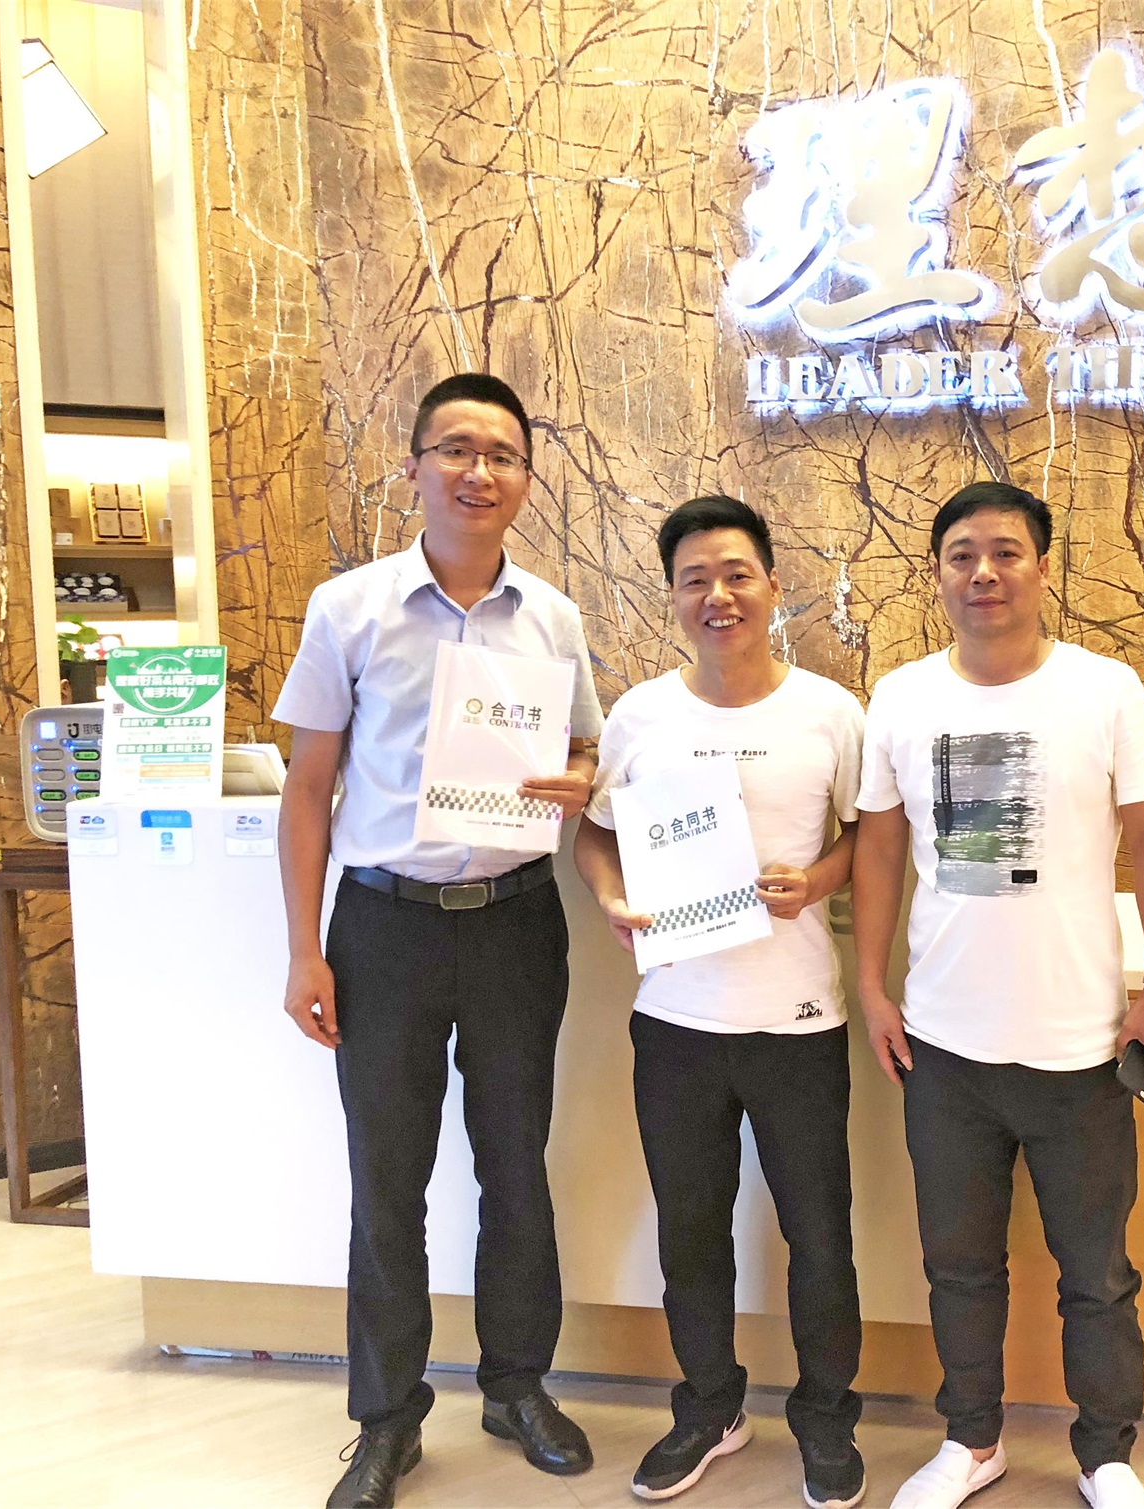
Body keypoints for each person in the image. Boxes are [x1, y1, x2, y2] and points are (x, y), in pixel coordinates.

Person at [275, 373, 604, 1509]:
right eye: (456, 449)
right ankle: (386, 1419)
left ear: (526, 479)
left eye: (502, 454)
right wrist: (304, 950)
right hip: (384, 927)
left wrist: (579, 781)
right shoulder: (349, 608)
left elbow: (585, 756)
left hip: (517, 921)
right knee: (387, 1180)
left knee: (516, 1167)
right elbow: (307, 788)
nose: (478, 471)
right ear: (413, 465)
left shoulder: (553, 618)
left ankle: (517, 1387)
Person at [852, 481, 1144, 1509]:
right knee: (958, 1267)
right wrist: (870, 986)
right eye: (962, 554)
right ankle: (971, 1441)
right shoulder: (901, 696)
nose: (983, 572)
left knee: (1096, 1275)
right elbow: (879, 849)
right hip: (943, 1049)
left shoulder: (1104, 689)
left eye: (1005, 552)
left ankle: (1106, 1455)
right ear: (937, 573)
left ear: (1042, 567)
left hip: (1078, 1049)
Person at [573, 495, 868, 1509]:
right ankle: (708, 1407)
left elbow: (868, 837)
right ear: (672, 596)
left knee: (819, 1235)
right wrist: (611, 898)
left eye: (737, 573)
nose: (718, 594)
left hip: (799, 1023)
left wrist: (816, 882)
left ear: (772, 586)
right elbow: (596, 830)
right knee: (689, 1231)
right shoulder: (640, 715)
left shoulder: (830, 713)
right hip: (677, 1023)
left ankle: (826, 1419)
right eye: (695, 578)